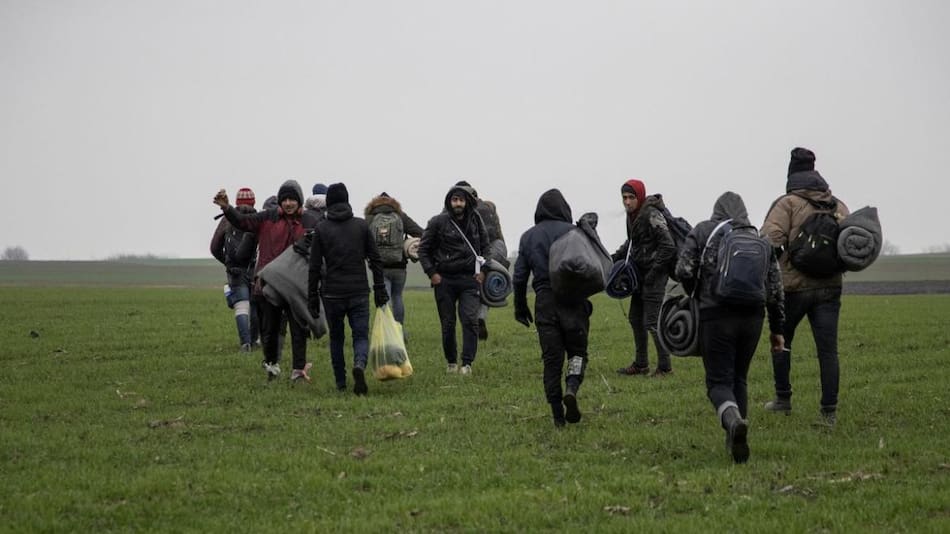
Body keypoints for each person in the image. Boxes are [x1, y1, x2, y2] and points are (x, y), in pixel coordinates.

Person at [675, 191, 786, 463]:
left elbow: (683, 270)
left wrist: (697, 294)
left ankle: (733, 421)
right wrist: (777, 328)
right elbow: (775, 288)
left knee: (717, 382)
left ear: (716, 211)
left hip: (716, 315)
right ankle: (734, 442)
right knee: (739, 378)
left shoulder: (703, 231)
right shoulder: (761, 239)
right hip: (753, 318)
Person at [761, 147, 850, 426]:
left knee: (780, 340)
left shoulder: (787, 203)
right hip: (830, 288)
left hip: (793, 288)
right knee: (827, 350)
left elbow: (769, 239)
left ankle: (783, 398)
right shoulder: (837, 205)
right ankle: (829, 412)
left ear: (791, 174)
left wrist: (788, 250)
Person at [213, 180, 319, 382]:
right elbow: (243, 221)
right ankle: (272, 365)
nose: (288, 203)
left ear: (299, 201)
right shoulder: (267, 218)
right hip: (268, 284)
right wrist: (227, 208)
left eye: (292, 199)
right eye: (285, 199)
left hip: (295, 286)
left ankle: (298, 370)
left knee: (298, 329)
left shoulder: (309, 221)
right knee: (269, 329)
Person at [512, 189, 592, 427]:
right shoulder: (575, 232)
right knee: (578, 352)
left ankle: (558, 416)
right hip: (574, 301)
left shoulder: (528, 237)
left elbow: (519, 277)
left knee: (551, 361)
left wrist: (520, 305)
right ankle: (572, 387)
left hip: (545, 302)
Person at [308, 183, 389, 395]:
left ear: (330, 203)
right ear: (347, 200)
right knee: (360, 336)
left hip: (332, 293)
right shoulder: (361, 226)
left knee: (336, 338)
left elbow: (314, 266)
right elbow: (375, 259)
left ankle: (341, 383)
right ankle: (359, 365)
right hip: (359, 291)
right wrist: (380, 287)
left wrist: (312, 297)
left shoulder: (322, 229)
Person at [417, 182, 490, 375]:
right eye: (454, 199)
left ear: (467, 202)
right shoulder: (437, 222)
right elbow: (423, 250)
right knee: (448, 324)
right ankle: (451, 362)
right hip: (445, 280)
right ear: (449, 202)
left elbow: (486, 247)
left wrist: (483, 271)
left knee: (470, 321)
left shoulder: (476, 220)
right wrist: (432, 273)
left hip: (469, 279)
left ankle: (467, 363)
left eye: (461, 200)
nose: (458, 203)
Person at [613, 179, 677, 377]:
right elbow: (632, 242)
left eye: (631, 197)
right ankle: (641, 364)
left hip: (655, 276)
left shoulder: (651, 214)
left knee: (651, 321)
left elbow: (668, 245)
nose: (627, 201)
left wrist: (654, 272)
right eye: (624, 197)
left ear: (639, 196)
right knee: (635, 318)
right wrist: (612, 258)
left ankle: (665, 367)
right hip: (639, 276)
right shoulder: (632, 216)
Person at [364, 192, 424, 329]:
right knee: (397, 297)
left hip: (379, 266)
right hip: (399, 266)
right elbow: (421, 233)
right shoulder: (401, 216)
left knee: (386, 299)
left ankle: (388, 331)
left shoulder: (370, 218)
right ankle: (399, 331)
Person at [455, 181, 506, 341]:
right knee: (485, 286)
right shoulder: (489, 208)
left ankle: (470, 323)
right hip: (492, 252)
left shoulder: (455, 207)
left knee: (467, 290)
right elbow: (498, 234)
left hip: (467, 256)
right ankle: (481, 317)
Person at [210, 187, 259, 352]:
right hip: (254, 269)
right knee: (255, 305)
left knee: (241, 306)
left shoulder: (227, 220)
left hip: (235, 271)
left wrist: (227, 263)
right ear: (254, 202)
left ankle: (245, 344)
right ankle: (255, 340)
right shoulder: (257, 219)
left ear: (236, 202)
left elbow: (215, 247)